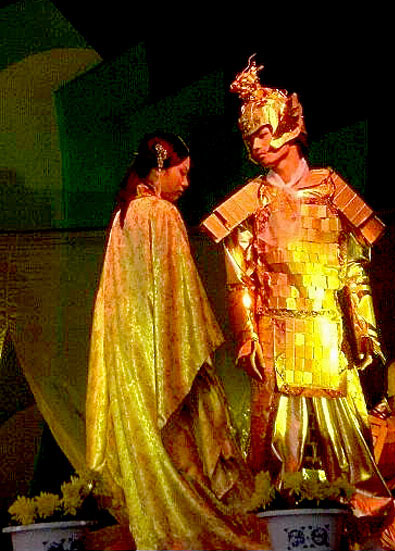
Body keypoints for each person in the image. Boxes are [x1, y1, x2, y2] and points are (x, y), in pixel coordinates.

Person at [201, 57, 395, 550]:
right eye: (249, 138)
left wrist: (365, 329)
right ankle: (278, 535)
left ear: (290, 126)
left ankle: (370, 535)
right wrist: (247, 334)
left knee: (350, 447)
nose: (257, 145)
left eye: (263, 133)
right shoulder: (248, 203)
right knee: (277, 450)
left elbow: (355, 269)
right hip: (276, 339)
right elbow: (239, 280)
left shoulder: (333, 191)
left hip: (329, 337)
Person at [85, 131, 269, 551]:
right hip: (163, 352)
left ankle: (159, 528)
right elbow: (177, 295)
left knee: (147, 453)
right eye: (182, 173)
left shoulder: (123, 216)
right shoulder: (161, 214)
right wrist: (195, 348)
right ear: (160, 167)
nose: (186, 183)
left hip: (128, 360)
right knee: (189, 447)